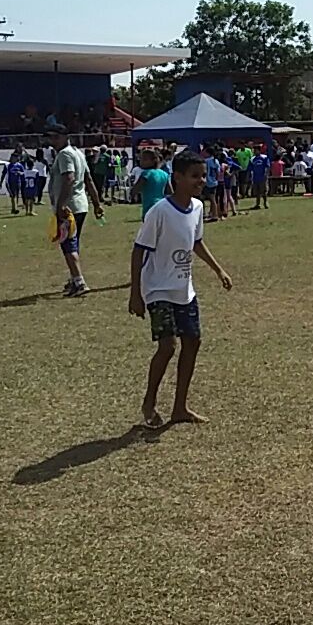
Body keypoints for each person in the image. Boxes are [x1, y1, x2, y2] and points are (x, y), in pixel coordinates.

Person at [129, 151, 233, 427]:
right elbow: (138, 251)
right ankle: (149, 402)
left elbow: (196, 242)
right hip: (158, 289)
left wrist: (218, 269)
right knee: (167, 346)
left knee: (193, 342)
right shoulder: (159, 211)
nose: (202, 180)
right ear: (177, 177)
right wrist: (135, 293)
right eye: (195, 176)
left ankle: (180, 408)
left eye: (203, 175)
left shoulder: (197, 208)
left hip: (184, 289)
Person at [46, 124, 105, 298]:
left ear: (66, 137)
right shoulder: (78, 153)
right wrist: (97, 203)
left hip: (68, 207)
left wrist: (60, 205)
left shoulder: (64, 154)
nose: (52, 141)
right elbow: (88, 179)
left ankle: (79, 282)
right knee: (73, 243)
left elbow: (69, 178)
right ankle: (73, 279)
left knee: (68, 245)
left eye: (56, 137)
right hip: (80, 205)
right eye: (50, 137)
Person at [133, 147, 172, 219]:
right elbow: (170, 193)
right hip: (161, 207)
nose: (140, 161)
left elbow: (136, 188)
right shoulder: (164, 174)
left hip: (149, 208)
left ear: (153, 161)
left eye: (143, 159)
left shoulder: (146, 174)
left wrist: (132, 193)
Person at [249, 145, 270, 210]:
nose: (254, 152)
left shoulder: (264, 157)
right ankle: (257, 204)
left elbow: (267, 166)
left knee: (264, 191)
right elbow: (251, 168)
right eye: (254, 150)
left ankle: (265, 203)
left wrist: (266, 175)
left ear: (259, 150)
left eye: (256, 150)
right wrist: (251, 176)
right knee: (257, 191)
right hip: (255, 177)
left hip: (262, 177)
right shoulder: (252, 159)